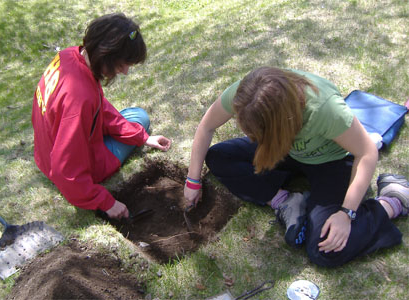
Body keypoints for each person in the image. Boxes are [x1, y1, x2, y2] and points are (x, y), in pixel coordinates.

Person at [184, 66, 408, 267]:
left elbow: (367, 152)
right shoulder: (247, 95)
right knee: (219, 157)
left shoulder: (325, 109)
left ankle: (392, 200)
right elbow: (206, 127)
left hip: (331, 162)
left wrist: (346, 214)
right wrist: (192, 180)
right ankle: (287, 201)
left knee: (324, 249)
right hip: (283, 150)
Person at [32, 13, 171, 220]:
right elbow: (65, 170)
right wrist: (105, 202)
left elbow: (99, 109)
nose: (124, 72)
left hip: (47, 152)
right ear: (105, 55)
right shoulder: (80, 98)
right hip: (70, 171)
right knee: (140, 117)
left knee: (136, 118)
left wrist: (142, 138)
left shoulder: (69, 55)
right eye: (122, 64)